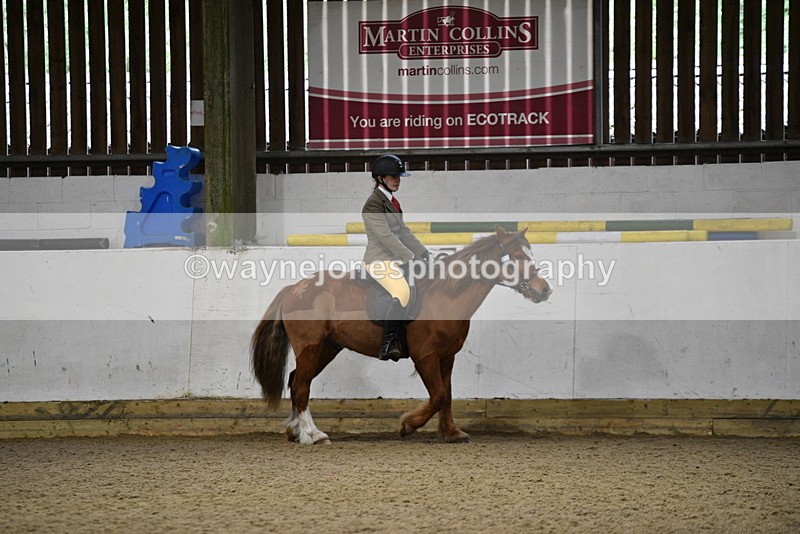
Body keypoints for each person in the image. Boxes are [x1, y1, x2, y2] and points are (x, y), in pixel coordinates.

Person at [362, 154, 429, 361]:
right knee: (402, 292)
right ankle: (388, 343)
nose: (397, 180)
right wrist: (409, 257)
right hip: (379, 260)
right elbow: (385, 236)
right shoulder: (373, 204)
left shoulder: (392, 201)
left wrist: (422, 252)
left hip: (395, 260)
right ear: (381, 178)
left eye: (399, 176)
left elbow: (403, 232)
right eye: (393, 176)